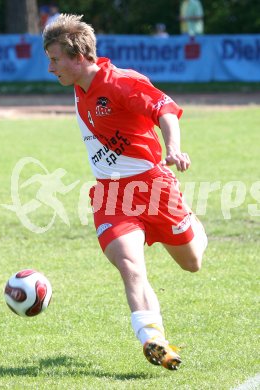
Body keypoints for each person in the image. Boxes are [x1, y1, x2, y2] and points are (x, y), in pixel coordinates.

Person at [43, 14, 208, 370]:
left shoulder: (120, 82)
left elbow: (165, 109)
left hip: (154, 187)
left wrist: (174, 148)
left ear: (79, 56)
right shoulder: (78, 86)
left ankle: (191, 222)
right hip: (110, 194)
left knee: (192, 262)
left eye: (55, 59)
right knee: (130, 265)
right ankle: (153, 338)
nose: (50, 67)